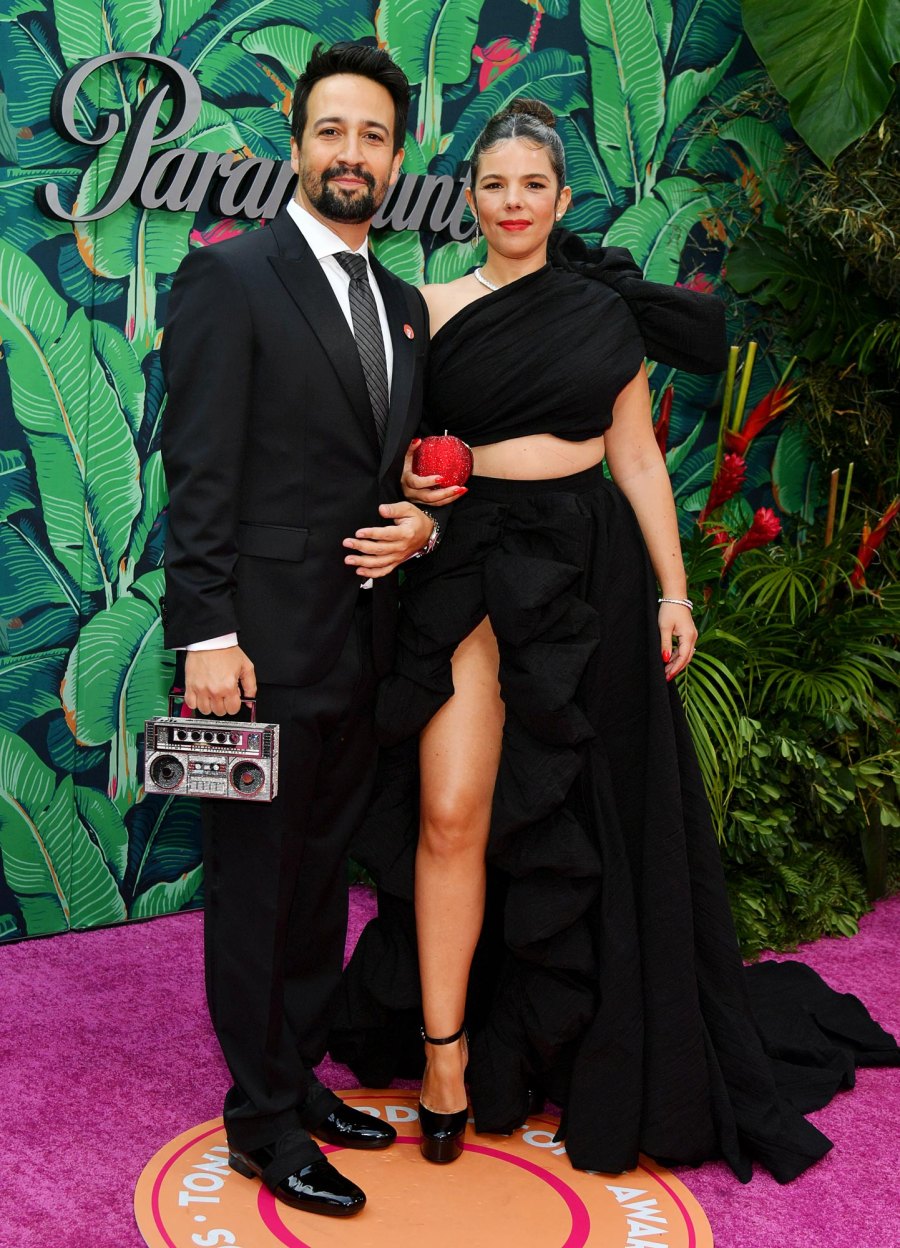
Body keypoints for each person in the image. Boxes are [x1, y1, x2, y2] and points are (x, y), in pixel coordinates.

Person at [331, 99, 899, 1180]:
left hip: (589, 564)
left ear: (560, 198)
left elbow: (636, 459)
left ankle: (574, 1033)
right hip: (468, 562)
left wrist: (673, 596)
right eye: (493, 185)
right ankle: (446, 1057)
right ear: (469, 198)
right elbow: (401, 454)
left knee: (586, 808)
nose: (511, 203)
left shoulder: (603, 315)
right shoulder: (431, 308)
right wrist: (414, 488)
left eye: (531, 186)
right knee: (453, 812)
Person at [160, 42, 438, 1217]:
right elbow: (201, 468)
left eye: (373, 136)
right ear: (296, 141)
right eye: (332, 131)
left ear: (396, 155)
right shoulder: (235, 278)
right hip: (256, 654)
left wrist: (421, 531)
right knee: (257, 888)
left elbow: (399, 476)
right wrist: (206, 634)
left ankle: (301, 1079)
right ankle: (262, 1121)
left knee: (323, 883)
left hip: (359, 653)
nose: (352, 154)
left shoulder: (409, 307)